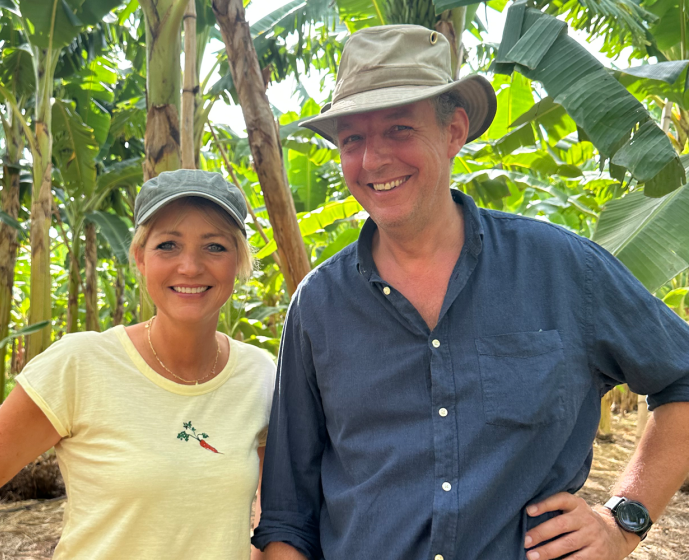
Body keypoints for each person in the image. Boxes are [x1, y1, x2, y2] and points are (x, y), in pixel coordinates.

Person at [252, 25, 689, 560]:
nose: (373, 161)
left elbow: (682, 376)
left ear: (454, 129)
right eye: (352, 140)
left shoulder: (561, 269)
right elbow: (287, 516)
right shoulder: (318, 306)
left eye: (398, 129)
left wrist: (623, 518)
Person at [0, 169, 276, 560]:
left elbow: (274, 514)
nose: (190, 267)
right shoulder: (81, 364)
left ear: (239, 262)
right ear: (140, 259)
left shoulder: (259, 375)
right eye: (168, 245)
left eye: (214, 247)